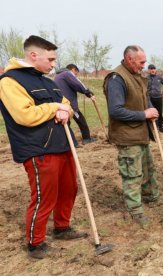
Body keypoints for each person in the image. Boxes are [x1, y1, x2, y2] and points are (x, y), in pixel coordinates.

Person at [0, 35, 87, 259]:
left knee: (69, 189)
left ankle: (62, 227)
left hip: (63, 144)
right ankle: (35, 243)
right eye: (50, 59)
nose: (53, 64)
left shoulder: (48, 81)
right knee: (43, 197)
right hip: (39, 149)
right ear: (33, 55)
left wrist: (64, 110)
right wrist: (54, 107)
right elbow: (24, 115)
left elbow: (66, 104)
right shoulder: (10, 82)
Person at [103, 45, 161, 227]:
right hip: (127, 136)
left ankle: (152, 197)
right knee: (132, 175)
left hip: (141, 133)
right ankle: (135, 209)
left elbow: (144, 97)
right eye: (141, 62)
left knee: (148, 168)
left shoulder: (137, 75)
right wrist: (144, 114)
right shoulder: (116, 79)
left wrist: (151, 108)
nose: (144, 65)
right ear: (130, 59)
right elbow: (116, 110)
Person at [54, 63, 97, 145]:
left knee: (66, 124)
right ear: (73, 69)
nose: (76, 76)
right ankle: (86, 138)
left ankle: (70, 143)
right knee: (81, 120)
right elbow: (78, 84)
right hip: (69, 105)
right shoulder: (67, 73)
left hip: (61, 104)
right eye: (76, 73)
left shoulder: (58, 76)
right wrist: (89, 94)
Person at [147, 64, 163, 133]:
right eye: (151, 69)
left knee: (159, 113)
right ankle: (153, 127)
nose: (152, 70)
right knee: (151, 113)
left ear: (155, 70)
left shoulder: (159, 77)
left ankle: (161, 127)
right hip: (150, 98)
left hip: (158, 98)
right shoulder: (146, 78)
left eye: (153, 69)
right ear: (149, 70)